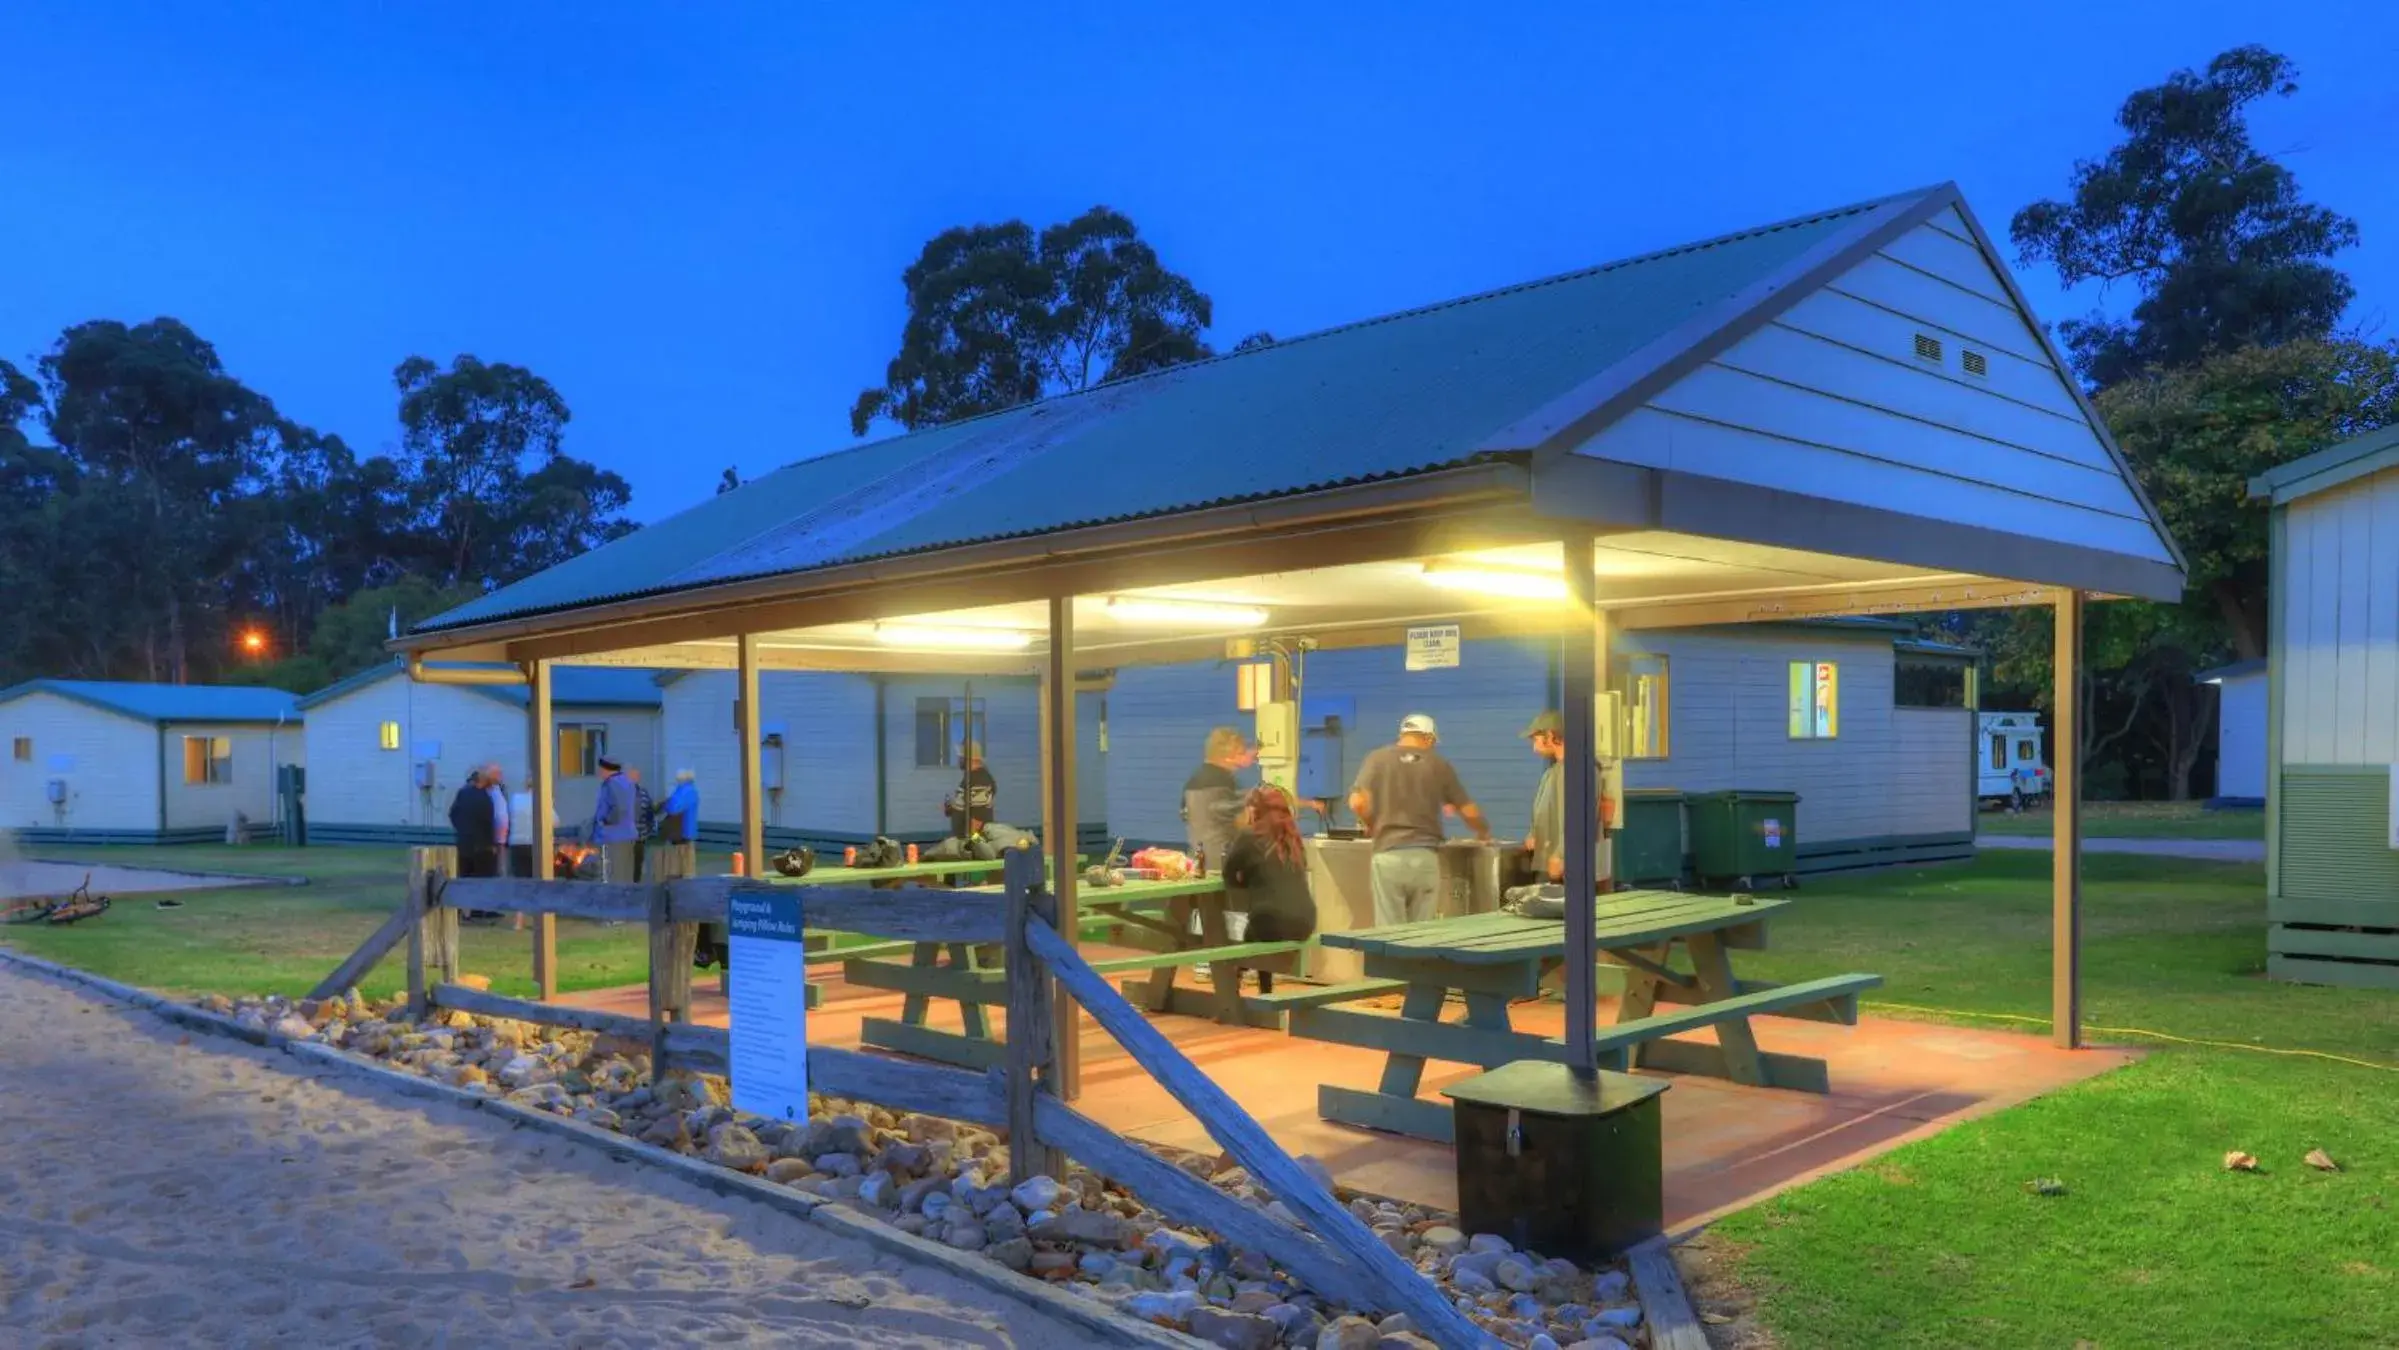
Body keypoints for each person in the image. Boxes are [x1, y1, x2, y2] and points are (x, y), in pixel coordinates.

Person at [1347, 713, 1490, 925]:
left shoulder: (1376, 758)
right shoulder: (1439, 764)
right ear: (1429, 738)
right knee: (1421, 935)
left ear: (1403, 734)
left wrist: (1371, 824)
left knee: (1389, 935)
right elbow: (1468, 811)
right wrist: (1482, 832)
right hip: (1425, 857)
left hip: (1388, 855)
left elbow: (1357, 802)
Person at [1220, 784, 1317, 993]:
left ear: (1253, 810)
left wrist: (1245, 882)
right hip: (1306, 922)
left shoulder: (1249, 836)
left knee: (1256, 927)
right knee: (1257, 927)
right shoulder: (1294, 838)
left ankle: (1231, 992)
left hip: (1271, 922)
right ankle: (1265, 990)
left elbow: (1228, 873)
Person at [587, 757, 640, 882]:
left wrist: (606, 820)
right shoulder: (628, 783)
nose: (599, 772)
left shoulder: (611, 784)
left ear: (606, 769)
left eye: (601, 769)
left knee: (612, 875)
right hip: (629, 834)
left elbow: (617, 809)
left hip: (613, 836)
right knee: (625, 874)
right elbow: (637, 807)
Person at [448, 767, 498, 882]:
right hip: (481, 847)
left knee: (465, 878)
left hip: (464, 843)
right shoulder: (485, 798)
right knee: (482, 881)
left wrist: (461, 829)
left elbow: (452, 814)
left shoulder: (462, 793)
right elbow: (487, 823)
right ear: (484, 782)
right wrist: (492, 844)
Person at [945, 743, 998, 838]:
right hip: (963, 840)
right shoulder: (971, 777)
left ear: (970, 759)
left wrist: (971, 846)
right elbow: (969, 805)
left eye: (961, 757)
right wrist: (953, 808)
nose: (959, 760)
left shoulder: (979, 781)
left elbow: (977, 821)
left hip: (969, 843)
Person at [658, 769, 700, 875]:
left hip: (680, 832)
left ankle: (682, 885)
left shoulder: (683, 791)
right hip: (689, 831)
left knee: (679, 865)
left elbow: (673, 807)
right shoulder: (692, 791)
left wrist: (664, 804)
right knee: (688, 863)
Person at [628, 767, 656, 884]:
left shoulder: (643, 792)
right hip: (631, 836)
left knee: (636, 862)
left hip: (638, 835)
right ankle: (633, 883)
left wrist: (648, 829)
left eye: (636, 776)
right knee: (633, 863)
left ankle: (634, 883)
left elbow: (649, 812)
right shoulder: (624, 793)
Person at [484, 764, 510, 876]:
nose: (500, 775)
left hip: (503, 835)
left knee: (502, 864)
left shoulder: (501, 789)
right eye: (496, 773)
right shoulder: (486, 791)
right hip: (493, 834)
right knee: (495, 866)